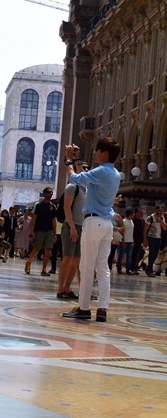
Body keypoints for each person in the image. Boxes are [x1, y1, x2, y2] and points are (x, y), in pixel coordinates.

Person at [62, 137, 121, 322]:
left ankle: (84, 308)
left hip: (93, 222)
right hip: (106, 224)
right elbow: (85, 182)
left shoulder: (101, 171)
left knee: (86, 266)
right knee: (103, 268)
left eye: (97, 150)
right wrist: (78, 161)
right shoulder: (115, 174)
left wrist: (69, 159)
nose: (94, 153)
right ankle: (102, 308)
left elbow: (74, 178)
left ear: (104, 153)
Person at [56, 163, 87, 300]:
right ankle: (60, 289)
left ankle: (67, 288)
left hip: (82, 226)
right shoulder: (72, 187)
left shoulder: (85, 189)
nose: (85, 170)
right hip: (70, 225)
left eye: (86, 168)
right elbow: (66, 208)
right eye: (82, 167)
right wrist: (72, 227)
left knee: (76, 260)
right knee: (67, 258)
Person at [24, 187, 57, 276]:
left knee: (48, 249)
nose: (50, 194)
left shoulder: (53, 206)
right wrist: (32, 231)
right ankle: (29, 262)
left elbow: (53, 220)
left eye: (51, 192)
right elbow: (34, 219)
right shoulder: (38, 205)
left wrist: (55, 233)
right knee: (36, 248)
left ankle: (44, 269)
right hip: (39, 230)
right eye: (49, 192)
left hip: (49, 230)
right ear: (44, 194)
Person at [143, 205, 166, 278]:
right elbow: (145, 229)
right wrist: (145, 240)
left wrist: (161, 221)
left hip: (158, 238)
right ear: (156, 210)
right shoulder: (150, 217)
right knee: (152, 253)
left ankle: (148, 268)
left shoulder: (162, 218)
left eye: (162, 211)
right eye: (159, 210)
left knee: (155, 254)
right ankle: (150, 270)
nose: (161, 212)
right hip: (151, 237)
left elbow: (165, 228)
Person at [117, 208, 134, 274]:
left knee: (129, 256)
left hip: (130, 240)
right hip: (124, 241)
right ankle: (119, 268)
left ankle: (128, 269)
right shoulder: (124, 221)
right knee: (121, 255)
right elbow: (122, 232)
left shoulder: (131, 221)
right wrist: (123, 241)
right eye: (132, 214)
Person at [130, 207, 145, 273]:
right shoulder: (132, 221)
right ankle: (132, 267)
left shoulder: (142, 221)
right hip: (133, 240)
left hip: (140, 241)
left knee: (141, 254)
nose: (140, 214)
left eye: (141, 212)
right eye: (139, 212)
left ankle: (136, 267)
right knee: (133, 255)